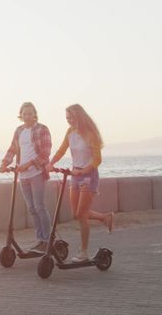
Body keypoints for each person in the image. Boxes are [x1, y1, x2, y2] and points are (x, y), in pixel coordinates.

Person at [46, 104, 114, 262]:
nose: (69, 121)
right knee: (77, 214)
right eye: (67, 118)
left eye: (71, 117)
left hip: (88, 175)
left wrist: (83, 171)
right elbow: (62, 150)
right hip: (74, 175)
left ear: (79, 117)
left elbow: (97, 159)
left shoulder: (90, 134)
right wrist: (51, 163)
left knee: (82, 216)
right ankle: (105, 217)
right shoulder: (70, 132)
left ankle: (83, 253)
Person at [0, 102, 52, 253]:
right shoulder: (19, 130)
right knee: (32, 208)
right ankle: (40, 239)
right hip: (23, 175)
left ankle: (47, 240)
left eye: (30, 113)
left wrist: (28, 165)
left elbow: (45, 153)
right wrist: (4, 164)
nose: (27, 116)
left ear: (35, 114)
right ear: (21, 116)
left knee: (40, 206)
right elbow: (12, 149)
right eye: (24, 113)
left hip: (37, 173)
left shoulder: (42, 129)